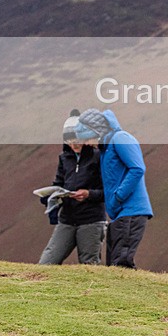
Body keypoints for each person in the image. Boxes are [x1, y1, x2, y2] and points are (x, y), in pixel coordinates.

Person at [75, 108, 153, 269]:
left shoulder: (120, 139)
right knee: (114, 266)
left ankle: (132, 293)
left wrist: (118, 197)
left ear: (96, 131)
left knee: (121, 263)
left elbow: (137, 168)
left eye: (87, 139)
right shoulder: (106, 148)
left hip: (131, 211)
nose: (88, 144)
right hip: (119, 214)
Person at [39, 109, 107, 265]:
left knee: (89, 266)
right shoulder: (64, 158)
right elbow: (58, 184)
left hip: (92, 221)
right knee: (47, 262)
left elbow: (108, 191)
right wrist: (50, 196)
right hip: (67, 220)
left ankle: (91, 291)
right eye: (69, 140)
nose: (74, 144)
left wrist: (88, 194)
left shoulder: (98, 157)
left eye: (77, 139)